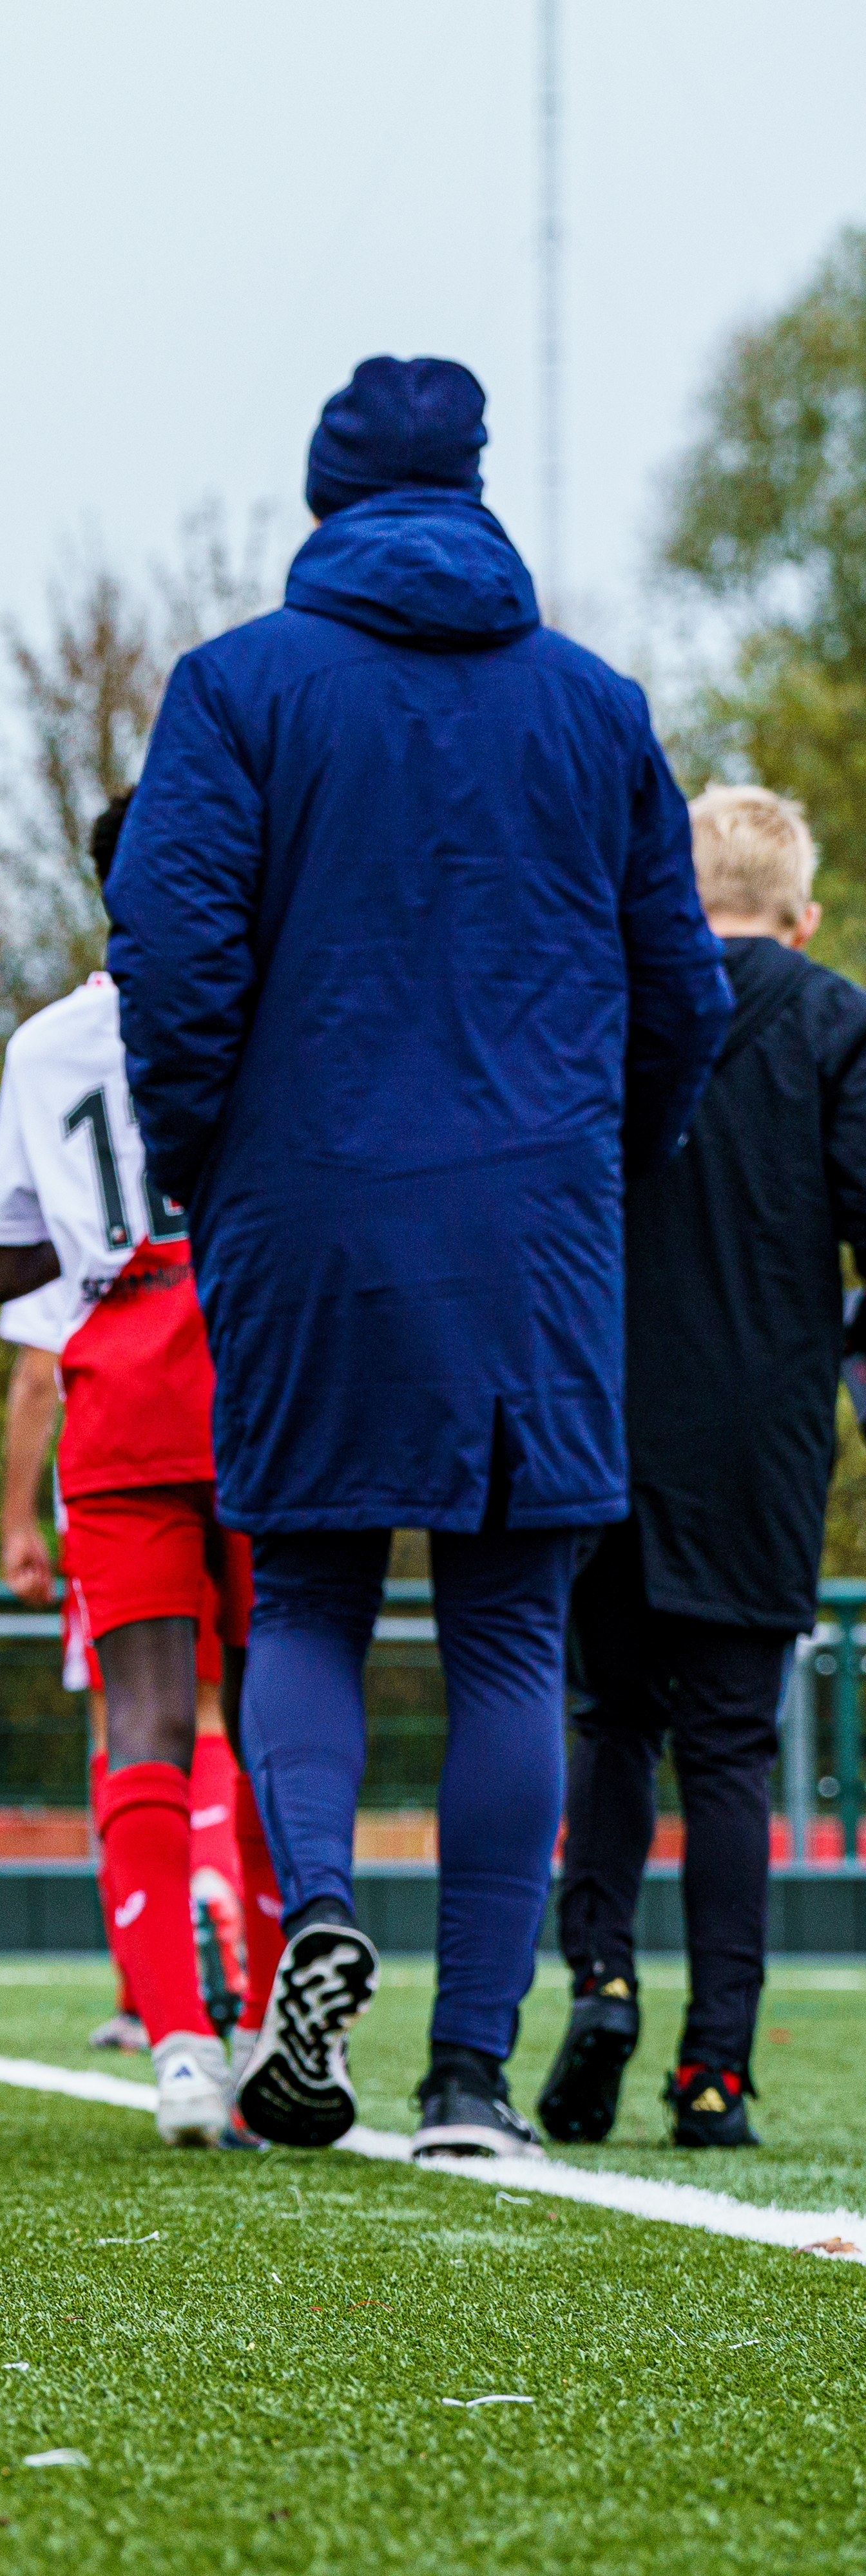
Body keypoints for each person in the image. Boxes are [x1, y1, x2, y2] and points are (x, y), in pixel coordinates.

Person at [110, 355, 731, 2159]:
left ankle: (314, 1911)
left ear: (325, 499)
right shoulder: (597, 707)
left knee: (302, 1588)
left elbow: (173, 956)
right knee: (512, 1640)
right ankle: (471, 2080)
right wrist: (596, 1165)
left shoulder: (236, 690)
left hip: (305, 1210)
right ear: (474, 490)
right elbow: (684, 992)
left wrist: (208, 1163)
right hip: (539, 1223)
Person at [544, 784, 866, 2150]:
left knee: (609, 1718)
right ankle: (715, 2070)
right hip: (758, 1428)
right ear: (799, 910)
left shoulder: (605, 994)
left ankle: (600, 1976)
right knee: (732, 1749)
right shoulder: (834, 1015)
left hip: (598, 1406)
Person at [0, 791, 283, 2146]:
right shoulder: (276, 1002)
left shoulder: (45, 1042)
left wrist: (102, 1243)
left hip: (120, 1385)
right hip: (265, 1362)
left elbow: (0, 1259)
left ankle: (175, 2041)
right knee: (285, 1712)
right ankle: (280, 2019)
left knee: (146, 1719)